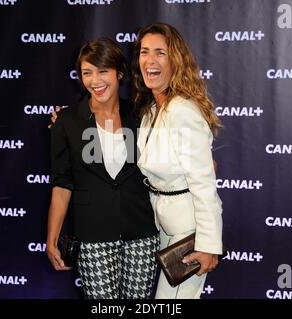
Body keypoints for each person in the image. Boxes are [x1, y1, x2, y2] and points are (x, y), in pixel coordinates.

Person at [46, 37, 159, 299]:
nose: (95, 81)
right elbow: (62, 184)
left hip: (141, 233)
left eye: (103, 71)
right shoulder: (67, 121)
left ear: (119, 72)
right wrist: (52, 238)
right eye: (87, 72)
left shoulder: (142, 115)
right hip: (92, 236)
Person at [132, 23, 223, 299]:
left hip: (189, 232)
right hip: (162, 226)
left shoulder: (183, 110)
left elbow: (204, 183)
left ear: (175, 60)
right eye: (145, 52)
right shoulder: (151, 109)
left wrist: (208, 245)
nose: (150, 60)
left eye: (160, 52)